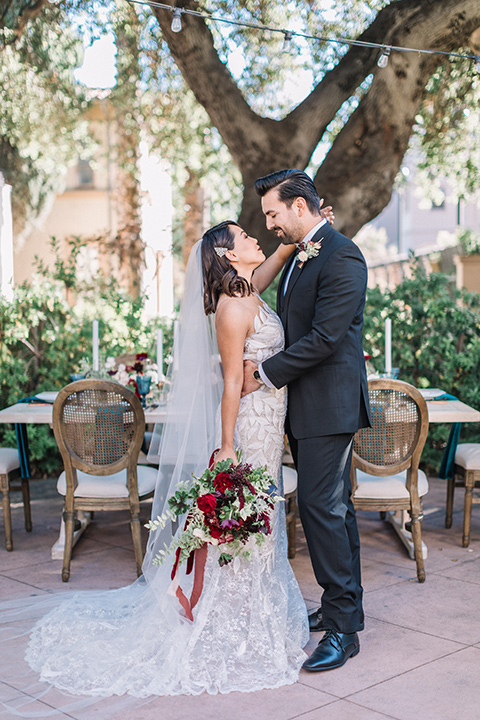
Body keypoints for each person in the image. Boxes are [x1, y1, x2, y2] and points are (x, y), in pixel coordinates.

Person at [0, 214, 329, 711]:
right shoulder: (230, 309)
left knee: (260, 521)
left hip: (268, 420)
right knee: (249, 522)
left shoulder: (248, 293)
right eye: (244, 236)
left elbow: (271, 267)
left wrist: (307, 233)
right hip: (249, 427)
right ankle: (234, 620)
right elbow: (232, 385)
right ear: (226, 254)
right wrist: (227, 445)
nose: (255, 237)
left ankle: (254, 611)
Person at [242, 168, 371, 672]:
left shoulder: (343, 255)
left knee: (320, 510)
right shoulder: (301, 253)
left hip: (330, 406)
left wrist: (265, 374)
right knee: (335, 512)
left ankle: (343, 631)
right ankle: (344, 608)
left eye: (273, 212)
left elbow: (324, 339)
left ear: (300, 207)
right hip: (304, 407)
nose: (270, 222)